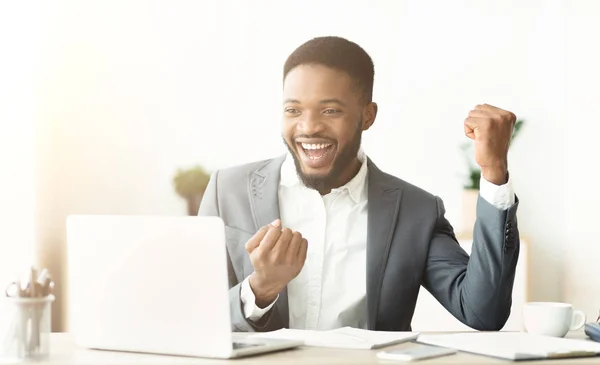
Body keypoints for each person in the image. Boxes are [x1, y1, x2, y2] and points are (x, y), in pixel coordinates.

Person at [199, 36, 519, 332]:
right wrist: (259, 289)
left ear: (367, 116)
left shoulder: (415, 211)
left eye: (330, 110)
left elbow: (483, 312)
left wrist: (493, 171)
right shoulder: (227, 191)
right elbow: (191, 316)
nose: (308, 127)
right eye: (293, 110)